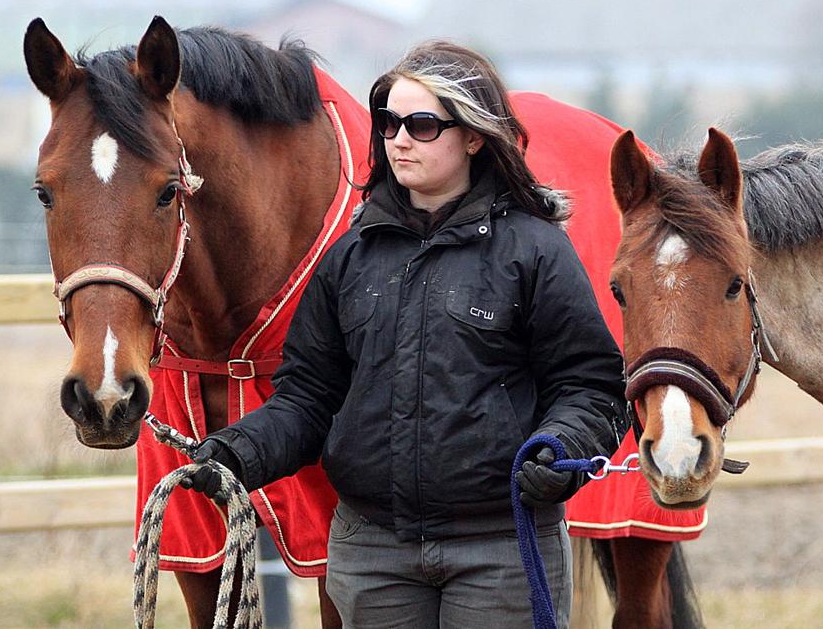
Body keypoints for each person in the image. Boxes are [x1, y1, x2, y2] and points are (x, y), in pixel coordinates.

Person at [183, 41, 627, 627]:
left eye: (420, 125)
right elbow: (310, 396)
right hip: (372, 552)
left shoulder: (536, 250)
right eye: (389, 123)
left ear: (473, 135)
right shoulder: (348, 259)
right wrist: (241, 452)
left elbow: (591, 386)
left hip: (500, 549)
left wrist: (561, 446)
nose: (398, 139)